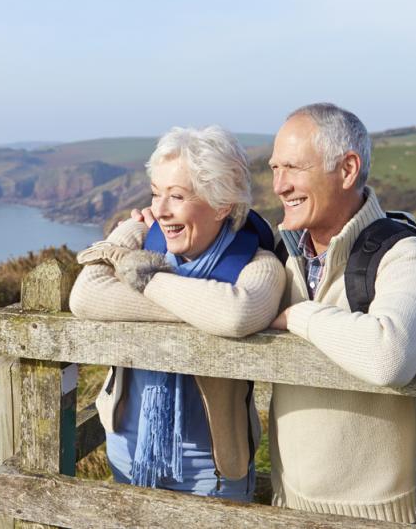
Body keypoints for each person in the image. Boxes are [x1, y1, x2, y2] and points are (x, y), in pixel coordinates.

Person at [70, 126, 285, 502]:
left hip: (213, 472)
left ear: (222, 204)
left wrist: (141, 278)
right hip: (127, 453)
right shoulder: (145, 239)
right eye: (156, 194)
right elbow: (86, 296)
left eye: (178, 196)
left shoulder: (258, 264)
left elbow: (235, 314)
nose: (161, 210)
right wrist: (129, 229)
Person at [266, 103, 416, 523]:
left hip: (377, 515)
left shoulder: (404, 253)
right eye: (275, 168)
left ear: (347, 169)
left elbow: (391, 355)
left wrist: (299, 316)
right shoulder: (282, 253)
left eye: (292, 168)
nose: (279, 185)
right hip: (285, 504)